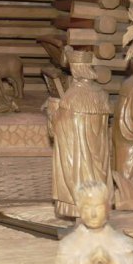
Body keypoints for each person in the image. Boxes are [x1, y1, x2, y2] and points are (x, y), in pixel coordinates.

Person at [47, 48, 112, 218]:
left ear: (77, 69)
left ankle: (80, 209)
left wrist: (53, 111)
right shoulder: (101, 94)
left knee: (79, 174)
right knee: (96, 174)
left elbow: (61, 126)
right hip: (97, 152)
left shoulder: (73, 95)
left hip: (79, 153)